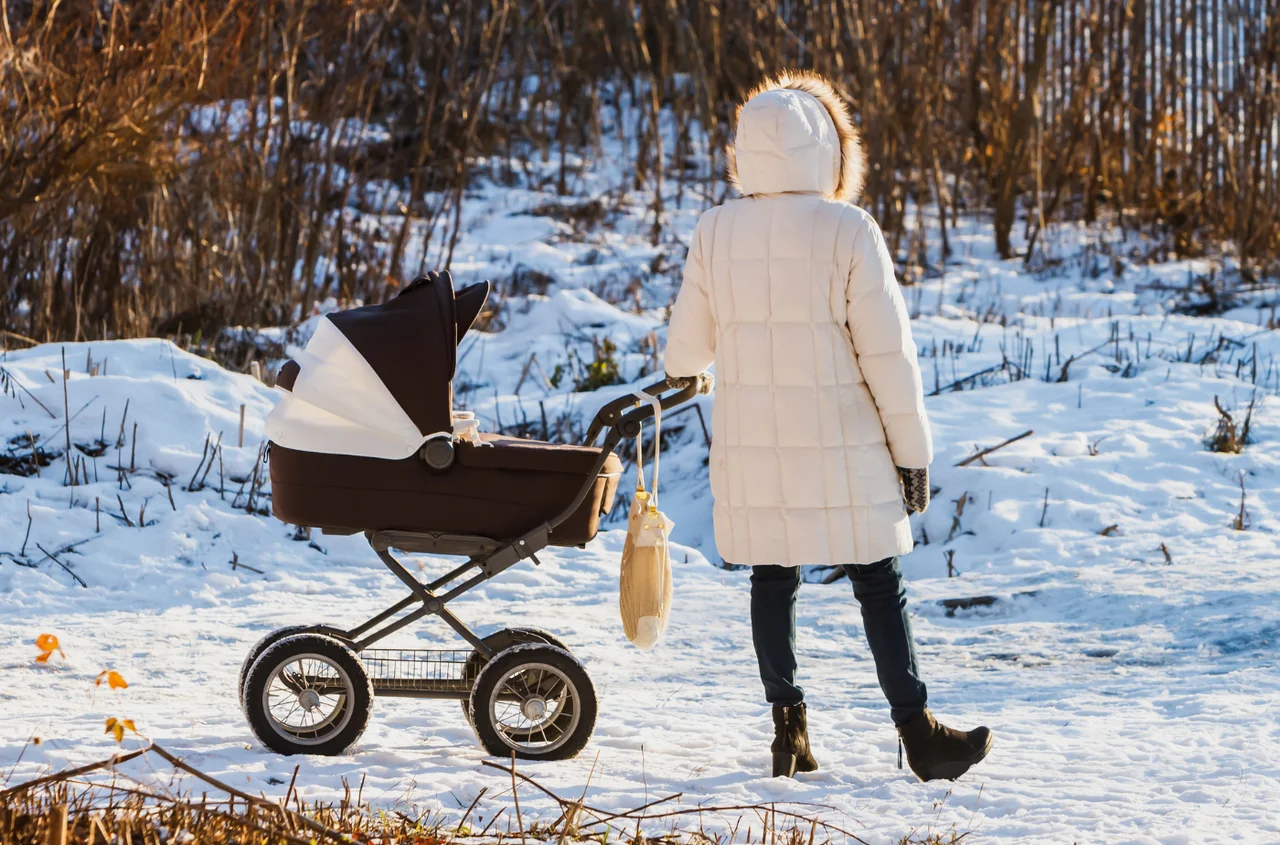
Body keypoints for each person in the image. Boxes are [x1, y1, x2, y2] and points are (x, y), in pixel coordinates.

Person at [663, 71, 992, 781]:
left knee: (771, 578)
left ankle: (789, 732)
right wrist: (912, 455)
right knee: (878, 578)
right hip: (848, 444)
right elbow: (889, 357)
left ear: (745, 150)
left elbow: (685, 355)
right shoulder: (849, 228)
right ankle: (919, 732)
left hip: (755, 447)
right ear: (834, 153)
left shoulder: (715, 229)